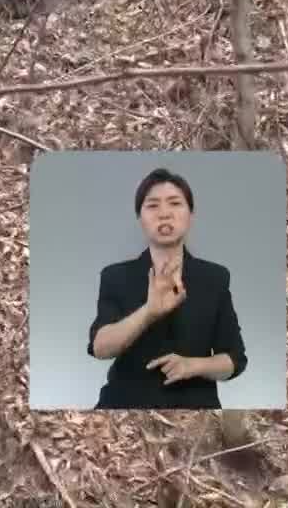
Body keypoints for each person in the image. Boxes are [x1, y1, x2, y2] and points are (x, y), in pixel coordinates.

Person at [87, 167, 246, 409]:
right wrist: (149, 312)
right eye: (152, 206)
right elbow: (100, 348)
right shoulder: (116, 276)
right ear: (140, 218)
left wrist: (194, 366)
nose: (164, 214)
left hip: (196, 408)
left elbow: (235, 359)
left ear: (191, 215)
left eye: (175, 203)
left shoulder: (215, 278)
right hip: (124, 405)